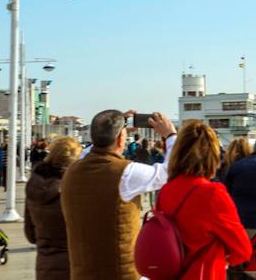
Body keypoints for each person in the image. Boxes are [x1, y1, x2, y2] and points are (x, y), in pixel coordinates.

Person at [61, 110, 177, 280]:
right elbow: (170, 172)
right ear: (121, 139)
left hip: (81, 272)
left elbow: (86, 153)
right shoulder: (125, 173)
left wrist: (112, 129)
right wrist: (170, 135)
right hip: (120, 272)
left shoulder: (72, 170)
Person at [155, 120, 252, 279]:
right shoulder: (213, 193)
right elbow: (242, 250)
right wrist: (221, 257)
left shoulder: (166, 190)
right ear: (213, 156)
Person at [25, 137, 83, 280]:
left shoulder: (34, 185)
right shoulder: (72, 191)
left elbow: (30, 234)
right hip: (73, 264)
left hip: (45, 265)